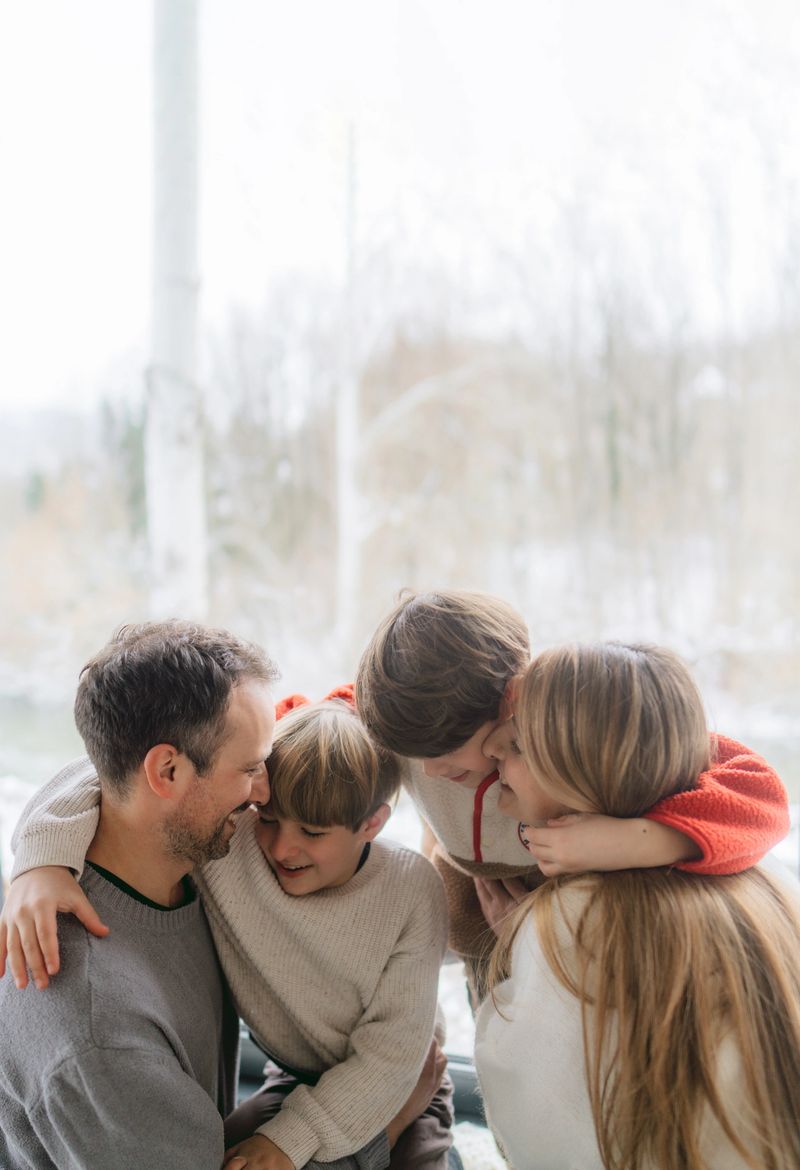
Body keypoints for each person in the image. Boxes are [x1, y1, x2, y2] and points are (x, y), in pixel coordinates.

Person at [3, 694, 453, 1170]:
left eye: (313, 833)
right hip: (295, 1076)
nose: (282, 848)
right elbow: (112, 772)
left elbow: (391, 1056)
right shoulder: (230, 840)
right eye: (271, 820)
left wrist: (289, 1142)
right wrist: (41, 861)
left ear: (373, 825)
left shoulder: (413, 892)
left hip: (404, 1080)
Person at [355, 590, 790, 997]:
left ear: (512, 697)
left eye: (448, 751)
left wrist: (637, 840)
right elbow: (330, 718)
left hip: (572, 940)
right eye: (412, 756)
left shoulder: (569, 721)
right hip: (480, 934)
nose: (430, 770)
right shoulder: (410, 722)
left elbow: (760, 795)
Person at [474, 642, 800, 1170]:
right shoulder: (761, 875)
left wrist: (521, 957)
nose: (492, 753)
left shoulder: (575, 920)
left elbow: (537, 1124)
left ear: (580, 769)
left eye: (517, 746)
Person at [0, 619, 279, 1170]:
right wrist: (381, 1125)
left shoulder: (174, 849)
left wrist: (38, 853)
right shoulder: (99, 1032)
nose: (266, 792)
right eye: (249, 769)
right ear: (167, 771)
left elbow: (96, 767)